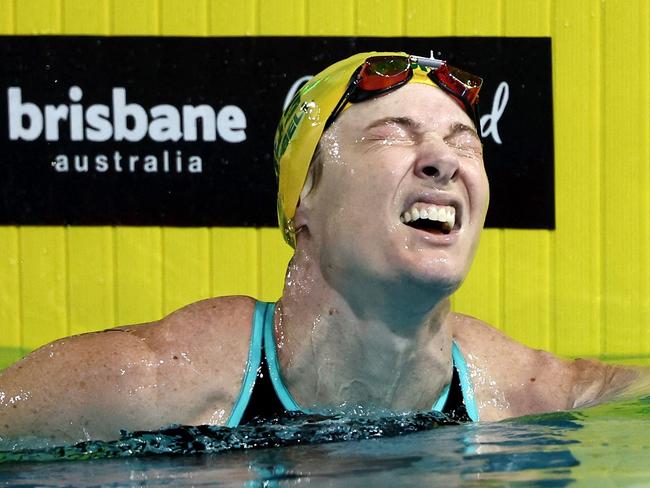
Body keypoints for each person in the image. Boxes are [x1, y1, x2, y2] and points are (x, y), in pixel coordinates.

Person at [0, 51, 643, 444]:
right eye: (396, 132)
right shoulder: (162, 382)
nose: (444, 161)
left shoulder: (519, 393)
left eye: (464, 142)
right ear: (302, 199)